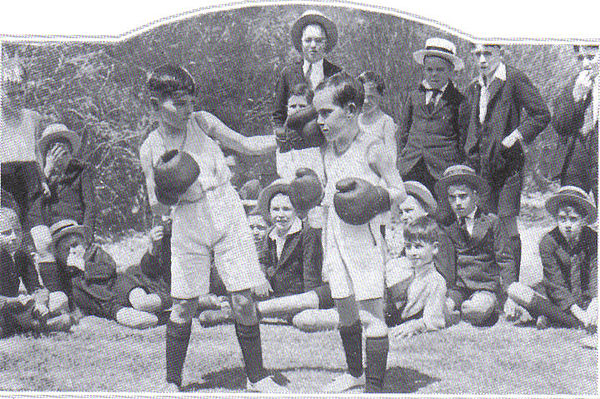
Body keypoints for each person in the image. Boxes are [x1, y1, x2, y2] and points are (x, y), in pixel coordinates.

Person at [141, 64, 287, 393]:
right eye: (178, 103)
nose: (187, 109)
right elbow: (156, 203)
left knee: (243, 299)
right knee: (183, 305)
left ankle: (257, 377)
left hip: (225, 207)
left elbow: (246, 145)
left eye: (190, 101)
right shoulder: (149, 148)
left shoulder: (202, 122)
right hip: (187, 219)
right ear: (154, 105)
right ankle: (171, 383)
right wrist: (168, 189)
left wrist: (284, 139)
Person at [313, 71, 407, 393]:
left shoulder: (372, 146)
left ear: (351, 110)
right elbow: (328, 204)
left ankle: (375, 387)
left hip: (364, 239)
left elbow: (400, 190)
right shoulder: (327, 152)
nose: (320, 121)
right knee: (345, 310)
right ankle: (355, 373)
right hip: (335, 238)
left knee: (371, 314)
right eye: (318, 114)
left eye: (327, 113)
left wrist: (376, 197)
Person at [463, 43, 551, 282]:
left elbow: (541, 114)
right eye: (477, 54)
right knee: (487, 222)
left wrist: (514, 137)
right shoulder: (475, 85)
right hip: (481, 167)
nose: (482, 60)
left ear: (500, 53)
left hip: (507, 165)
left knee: (506, 222)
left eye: (487, 54)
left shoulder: (512, 78)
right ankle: (492, 282)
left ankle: (511, 287)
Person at [508, 186, 597, 348]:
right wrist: (583, 317)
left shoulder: (592, 238)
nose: (567, 225)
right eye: (562, 219)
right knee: (515, 290)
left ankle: (547, 317)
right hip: (555, 297)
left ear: (583, 220)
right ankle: (569, 320)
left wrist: (594, 303)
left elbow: (595, 273)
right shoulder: (548, 242)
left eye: (573, 219)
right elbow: (556, 285)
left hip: (585, 298)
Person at [434, 165, 517, 326]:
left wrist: (510, 295)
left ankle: (475, 309)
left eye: (463, 196)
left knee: (478, 310)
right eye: (452, 197)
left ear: (475, 195)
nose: (457, 203)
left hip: (486, 286)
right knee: (440, 309)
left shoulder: (492, 221)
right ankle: (457, 310)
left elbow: (505, 260)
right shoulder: (447, 224)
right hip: (460, 288)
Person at [45, 220, 165, 330]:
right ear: (59, 255)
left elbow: (108, 269)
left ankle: (172, 301)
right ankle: (165, 317)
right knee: (137, 321)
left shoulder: (94, 253)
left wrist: (83, 265)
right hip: (107, 306)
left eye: (75, 245)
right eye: (66, 249)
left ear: (84, 243)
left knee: (142, 303)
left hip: (120, 286)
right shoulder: (68, 275)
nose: (72, 251)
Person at [273, 10, 341, 183]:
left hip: (326, 144)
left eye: (319, 41)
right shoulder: (288, 73)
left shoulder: (336, 74)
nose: (313, 45)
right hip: (296, 148)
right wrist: (281, 134)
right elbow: (278, 112)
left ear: (326, 44)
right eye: (308, 40)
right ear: (301, 43)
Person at [397, 38, 467, 196]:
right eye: (429, 69)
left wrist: (456, 168)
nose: (434, 74)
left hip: (442, 170)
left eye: (440, 70)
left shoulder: (459, 101)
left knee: (440, 216)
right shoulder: (414, 96)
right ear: (424, 70)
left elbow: (464, 140)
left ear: (450, 71)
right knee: (411, 214)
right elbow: (403, 132)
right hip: (411, 166)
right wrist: (402, 159)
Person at [384, 181, 456, 326]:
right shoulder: (408, 237)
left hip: (432, 295)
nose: (404, 216)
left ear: (425, 210)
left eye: (409, 211)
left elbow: (446, 276)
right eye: (401, 212)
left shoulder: (437, 235)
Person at [28, 123, 95, 275]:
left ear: (69, 149)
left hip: (78, 233)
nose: (58, 152)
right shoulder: (41, 178)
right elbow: (33, 211)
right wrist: (46, 172)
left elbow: (90, 206)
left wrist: (87, 236)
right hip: (54, 236)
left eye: (62, 147)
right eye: (53, 148)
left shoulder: (81, 170)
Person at [0, 207, 71, 338]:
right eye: (6, 233)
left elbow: (36, 288)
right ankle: (35, 326)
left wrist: (40, 303)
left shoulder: (21, 256)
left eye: (17, 231)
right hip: (5, 306)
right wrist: (14, 300)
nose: (14, 237)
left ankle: (28, 325)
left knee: (59, 299)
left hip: (15, 307)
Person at [1, 58, 49, 231]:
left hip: (30, 179)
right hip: (4, 180)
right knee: (10, 233)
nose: (17, 98)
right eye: (11, 94)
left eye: (20, 92)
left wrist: (42, 180)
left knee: (38, 232)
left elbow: (36, 151)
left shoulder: (32, 117)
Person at [550, 44, 599, 201]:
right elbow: (560, 125)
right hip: (574, 158)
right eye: (580, 58)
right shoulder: (574, 84)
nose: (585, 64)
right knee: (571, 208)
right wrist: (576, 97)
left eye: (591, 57)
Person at [387, 216, 449, 338]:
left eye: (418, 246)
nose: (412, 252)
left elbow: (434, 318)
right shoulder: (404, 269)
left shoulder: (435, 280)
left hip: (406, 318)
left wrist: (416, 325)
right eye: (408, 247)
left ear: (434, 248)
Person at [276, 83, 325, 184]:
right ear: (287, 109)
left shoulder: (318, 135)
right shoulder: (283, 137)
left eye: (302, 106)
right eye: (293, 106)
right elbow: (282, 170)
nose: (297, 110)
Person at [357, 71, 397, 166]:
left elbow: (391, 157)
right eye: (363, 96)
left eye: (371, 97)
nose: (366, 101)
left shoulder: (386, 122)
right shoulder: (355, 120)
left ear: (381, 95)